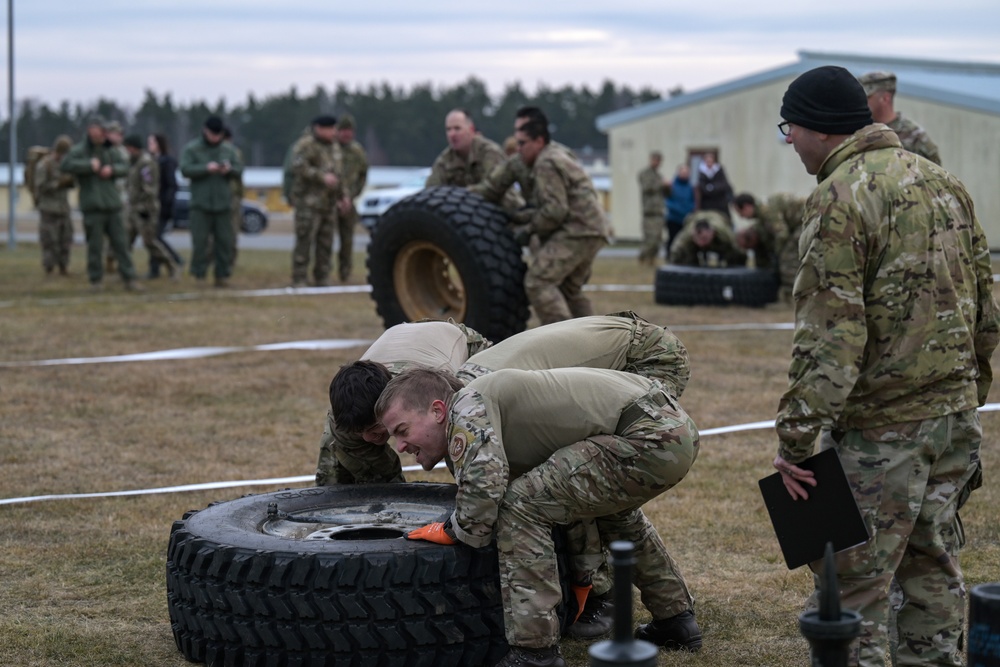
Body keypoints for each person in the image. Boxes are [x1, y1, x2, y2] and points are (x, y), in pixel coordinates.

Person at [773, 65, 1000, 667]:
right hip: (953, 419)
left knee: (855, 590)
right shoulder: (944, 182)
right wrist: (968, 392)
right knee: (933, 572)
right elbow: (986, 309)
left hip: (884, 429)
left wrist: (796, 441)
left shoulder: (839, 195)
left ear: (817, 128)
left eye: (788, 128)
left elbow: (831, 337)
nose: (788, 141)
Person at [375, 366, 702, 667]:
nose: (400, 446)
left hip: (647, 433)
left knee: (521, 506)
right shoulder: (486, 403)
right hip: (670, 428)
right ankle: (675, 620)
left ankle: (535, 653)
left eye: (402, 430)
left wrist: (455, 531)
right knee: (614, 513)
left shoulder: (467, 404)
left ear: (437, 410)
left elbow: (484, 490)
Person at [315, 319, 492, 487]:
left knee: (461, 442)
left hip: (455, 341)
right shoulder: (346, 413)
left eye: (374, 429)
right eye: (361, 432)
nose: (368, 439)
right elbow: (378, 484)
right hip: (400, 338)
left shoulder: (432, 389)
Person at [504, 113, 610, 324]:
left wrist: (528, 230)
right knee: (569, 291)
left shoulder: (545, 162)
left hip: (578, 230)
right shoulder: (558, 154)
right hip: (593, 228)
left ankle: (563, 344)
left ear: (539, 141)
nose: (519, 149)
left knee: (538, 281)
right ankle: (596, 344)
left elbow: (555, 210)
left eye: (523, 143)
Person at [59, 115, 141, 291]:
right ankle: (96, 280)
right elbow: (65, 165)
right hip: (93, 206)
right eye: (100, 130)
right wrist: (88, 166)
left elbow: (125, 167)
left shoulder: (110, 150)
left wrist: (112, 170)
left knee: (121, 243)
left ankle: (129, 278)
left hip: (113, 205)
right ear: (91, 130)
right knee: (95, 246)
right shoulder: (79, 150)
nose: (103, 134)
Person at [180, 115, 243, 287]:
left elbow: (239, 170)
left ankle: (222, 276)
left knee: (225, 242)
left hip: (223, 204)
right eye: (213, 134)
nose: (216, 138)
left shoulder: (228, 150)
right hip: (200, 204)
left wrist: (229, 170)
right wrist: (205, 168)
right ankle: (199, 275)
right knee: (200, 242)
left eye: (219, 134)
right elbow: (185, 170)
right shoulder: (192, 149)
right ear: (205, 131)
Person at [287, 115, 342, 288]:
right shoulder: (305, 145)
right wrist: (321, 177)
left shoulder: (334, 147)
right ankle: (299, 277)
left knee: (326, 242)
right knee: (305, 239)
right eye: (330, 128)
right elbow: (298, 167)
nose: (334, 132)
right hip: (309, 202)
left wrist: (342, 196)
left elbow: (339, 174)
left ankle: (322, 276)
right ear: (319, 128)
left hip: (329, 202)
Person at [123, 134, 178, 279]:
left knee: (150, 242)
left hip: (144, 209)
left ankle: (171, 265)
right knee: (125, 241)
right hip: (132, 209)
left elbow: (150, 189)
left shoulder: (146, 164)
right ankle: (126, 272)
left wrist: (143, 207)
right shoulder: (132, 163)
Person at [858, 71, 941, 165]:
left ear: (885, 98)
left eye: (866, 98)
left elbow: (935, 175)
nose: (861, 102)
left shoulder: (915, 137)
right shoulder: (860, 131)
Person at [425, 108, 506, 189]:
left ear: (471, 129)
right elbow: (430, 190)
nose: (452, 134)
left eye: (457, 128)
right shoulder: (445, 160)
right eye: (448, 129)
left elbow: (494, 188)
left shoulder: (489, 153)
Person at [33, 135, 75, 276]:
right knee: (50, 239)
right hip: (49, 209)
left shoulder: (66, 165)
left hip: (63, 208)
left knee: (66, 238)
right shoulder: (44, 165)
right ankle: (49, 268)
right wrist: (58, 183)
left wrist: (70, 181)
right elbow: (40, 186)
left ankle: (64, 266)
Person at [334, 113, 369, 282]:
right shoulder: (331, 149)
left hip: (349, 203)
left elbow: (363, 176)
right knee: (323, 240)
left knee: (347, 240)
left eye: (350, 131)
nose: (347, 134)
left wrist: (351, 196)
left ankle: (345, 272)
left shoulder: (357, 151)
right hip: (329, 202)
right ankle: (322, 272)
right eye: (343, 131)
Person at [146, 133, 184, 277]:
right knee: (151, 237)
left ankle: (175, 259)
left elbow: (172, 185)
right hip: (151, 206)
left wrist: (165, 203)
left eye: (151, 142)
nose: (149, 145)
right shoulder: (150, 161)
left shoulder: (167, 162)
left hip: (162, 207)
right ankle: (154, 270)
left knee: (155, 237)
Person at [668, 210, 745, 267]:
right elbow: (675, 252)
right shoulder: (687, 236)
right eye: (698, 239)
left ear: (713, 233)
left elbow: (740, 251)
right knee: (685, 257)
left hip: (718, 217)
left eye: (704, 239)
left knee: (733, 256)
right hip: (694, 218)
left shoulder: (724, 234)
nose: (702, 243)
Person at [637, 151, 669, 266]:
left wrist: (668, 187)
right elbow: (647, 187)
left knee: (658, 238)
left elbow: (666, 194)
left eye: (659, 160)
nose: (657, 163)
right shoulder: (645, 174)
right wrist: (661, 184)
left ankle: (652, 259)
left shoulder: (659, 176)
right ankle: (643, 258)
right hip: (649, 211)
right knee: (650, 238)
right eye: (655, 160)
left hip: (659, 211)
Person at [222, 126, 245, 266]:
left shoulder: (234, 153)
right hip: (232, 195)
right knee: (230, 230)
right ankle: (229, 260)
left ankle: (228, 260)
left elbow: (239, 173)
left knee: (231, 230)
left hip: (231, 196)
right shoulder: (236, 152)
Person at [694, 152, 732, 223]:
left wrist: (711, 188)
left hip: (721, 204)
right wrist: (714, 188)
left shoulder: (720, 171)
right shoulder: (701, 172)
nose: (709, 163)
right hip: (707, 206)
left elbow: (724, 185)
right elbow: (703, 188)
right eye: (707, 161)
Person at [664, 163, 694, 255]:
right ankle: (670, 257)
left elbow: (694, 201)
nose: (684, 174)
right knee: (673, 239)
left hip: (686, 219)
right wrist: (679, 210)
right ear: (678, 172)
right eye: (683, 172)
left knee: (686, 240)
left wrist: (688, 210)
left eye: (686, 172)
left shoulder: (691, 187)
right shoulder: (671, 186)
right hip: (673, 218)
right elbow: (667, 201)